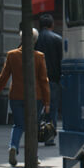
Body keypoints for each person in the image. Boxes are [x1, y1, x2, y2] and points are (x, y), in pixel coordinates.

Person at [0, 28, 50, 167]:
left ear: (21, 39)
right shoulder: (39, 56)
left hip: (16, 95)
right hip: (36, 96)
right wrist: (47, 101)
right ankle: (33, 156)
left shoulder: (12, 55)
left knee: (18, 124)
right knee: (33, 126)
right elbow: (43, 80)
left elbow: (3, 76)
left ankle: (13, 146)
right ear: (35, 40)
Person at [35, 13, 62, 146]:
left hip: (35, 81)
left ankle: (34, 135)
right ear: (52, 25)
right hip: (52, 79)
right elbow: (61, 60)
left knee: (36, 108)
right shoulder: (57, 39)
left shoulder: (33, 39)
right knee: (52, 108)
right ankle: (49, 137)